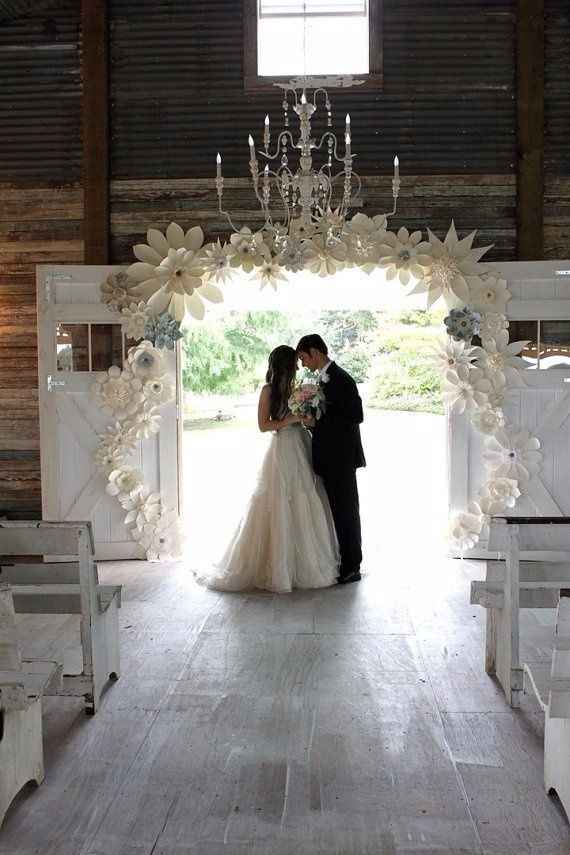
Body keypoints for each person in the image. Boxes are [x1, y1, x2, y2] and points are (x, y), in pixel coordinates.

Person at [193, 345, 339, 592]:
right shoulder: (268, 391)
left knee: (306, 497)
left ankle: (308, 562)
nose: (297, 365)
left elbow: (305, 418)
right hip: (282, 448)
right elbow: (263, 425)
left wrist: (308, 419)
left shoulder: (297, 389)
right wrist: (291, 419)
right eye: (294, 362)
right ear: (284, 365)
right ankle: (278, 567)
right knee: (280, 499)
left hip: (301, 444)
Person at [296, 334, 366, 584]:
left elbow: (356, 415)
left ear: (315, 352)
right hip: (331, 458)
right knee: (339, 511)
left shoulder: (341, 378)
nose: (303, 364)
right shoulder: (324, 378)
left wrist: (318, 421)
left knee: (347, 512)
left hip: (341, 459)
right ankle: (346, 561)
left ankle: (352, 566)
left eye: (304, 357)